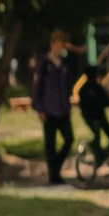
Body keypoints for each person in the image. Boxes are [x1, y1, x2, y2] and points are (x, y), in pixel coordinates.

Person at [31, 32, 75, 185]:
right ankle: (53, 176)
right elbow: (38, 86)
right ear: (52, 44)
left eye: (62, 45)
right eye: (57, 44)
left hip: (63, 108)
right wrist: (39, 108)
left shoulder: (63, 63)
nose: (59, 47)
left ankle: (56, 167)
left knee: (69, 139)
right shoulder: (45, 62)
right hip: (48, 109)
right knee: (50, 145)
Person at [74, 59, 109, 176]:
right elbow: (106, 102)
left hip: (90, 117)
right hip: (98, 117)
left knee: (100, 136)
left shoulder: (84, 89)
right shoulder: (96, 88)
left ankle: (99, 154)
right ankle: (104, 157)